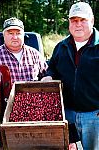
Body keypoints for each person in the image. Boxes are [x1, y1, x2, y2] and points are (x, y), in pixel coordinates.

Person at [41, 2, 99, 150]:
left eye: (82, 20)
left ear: (92, 20)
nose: (78, 24)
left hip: (94, 116)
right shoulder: (61, 46)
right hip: (67, 114)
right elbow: (52, 67)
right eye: (74, 20)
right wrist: (48, 76)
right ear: (69, 23)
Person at [0, 17, 48, 85]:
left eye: (18, 33)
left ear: (23, 35)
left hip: (32, 94)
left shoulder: (35, 54)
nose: (15, 37)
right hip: (5, 95)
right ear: (4, 35)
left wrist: (46, 79)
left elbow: (47, 74)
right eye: (10, 33)